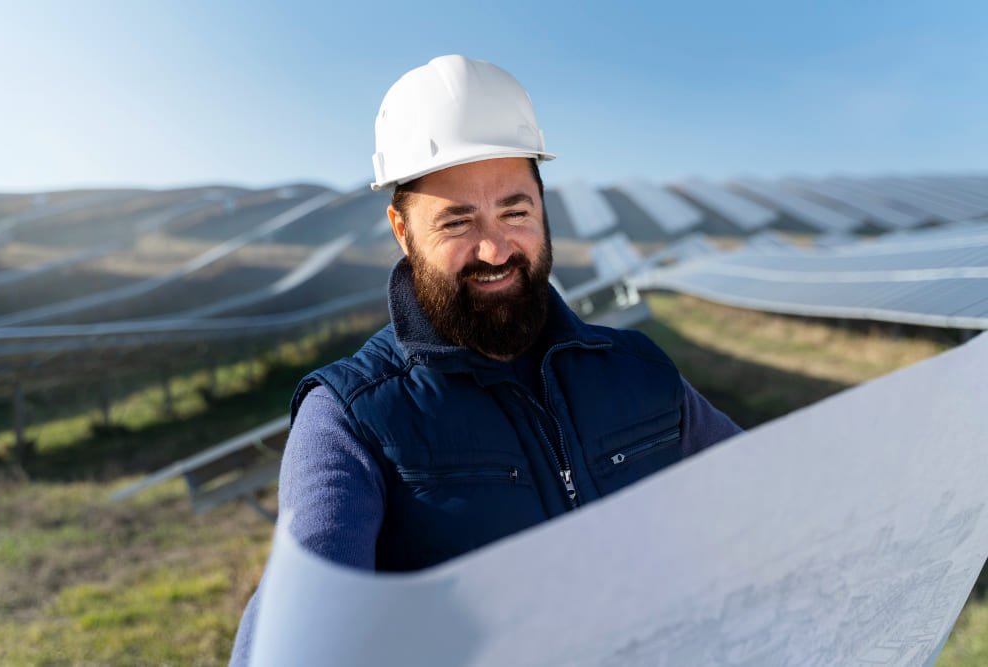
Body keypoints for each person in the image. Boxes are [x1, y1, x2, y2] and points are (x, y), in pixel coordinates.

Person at [229, 54, 740, 664]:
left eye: (515, 211)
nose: (494, 247)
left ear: (544, 210)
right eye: (457, 222)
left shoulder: (641, 370)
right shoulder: (352, 419)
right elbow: (295, 640)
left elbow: (777, 500)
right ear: (401, 229)